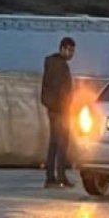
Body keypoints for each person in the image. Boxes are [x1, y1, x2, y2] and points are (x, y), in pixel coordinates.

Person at [40, 36, 77, 189]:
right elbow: (57, 89)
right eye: (69, 50)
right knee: (60, 143)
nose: (71, 54)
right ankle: (57, 177)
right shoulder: (58, 66)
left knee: (56, 143)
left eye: (73, 51)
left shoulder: (55, 64)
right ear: (62, 48)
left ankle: (53, 177)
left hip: (57, 109)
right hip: (59, 110)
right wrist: (60, 106)